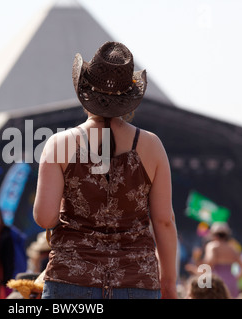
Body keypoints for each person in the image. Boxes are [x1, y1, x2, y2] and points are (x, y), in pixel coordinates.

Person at [33, 42, 178, 299]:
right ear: (129, 100)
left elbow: (45, 218)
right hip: (137, 281)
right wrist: (168, 282)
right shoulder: (152, 145)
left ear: (85, 93)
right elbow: (165, 221)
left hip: (70, 280)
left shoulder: (60, 144)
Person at [202, 222, 242, 298]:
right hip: (232, 282)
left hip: (216, 281)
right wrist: (235, 278)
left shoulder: (212, 246)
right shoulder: (232, 248)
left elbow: (209, 262)